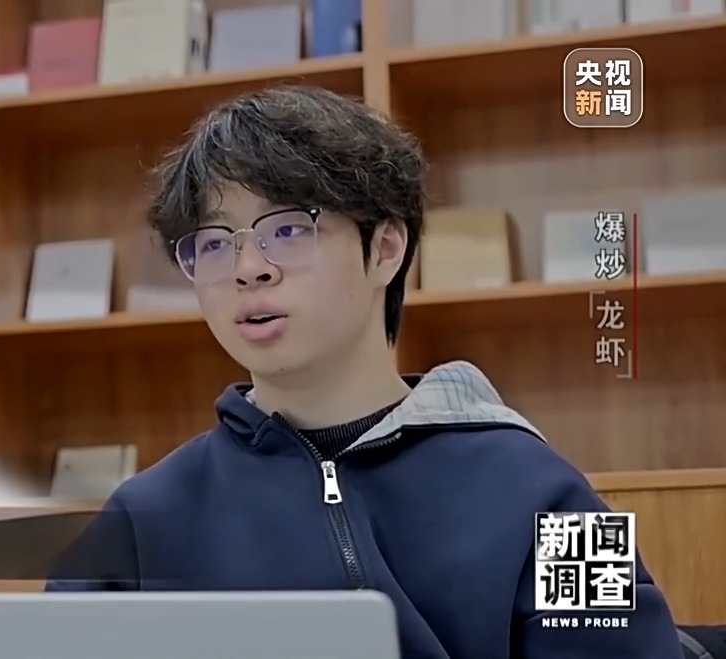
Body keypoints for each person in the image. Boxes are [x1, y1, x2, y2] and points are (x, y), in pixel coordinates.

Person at [45, 85, 683, 658]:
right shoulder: (141, 519)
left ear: (385, 249)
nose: (248, 268)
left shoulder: (547, 493)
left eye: (287, 230)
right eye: (213, 243)